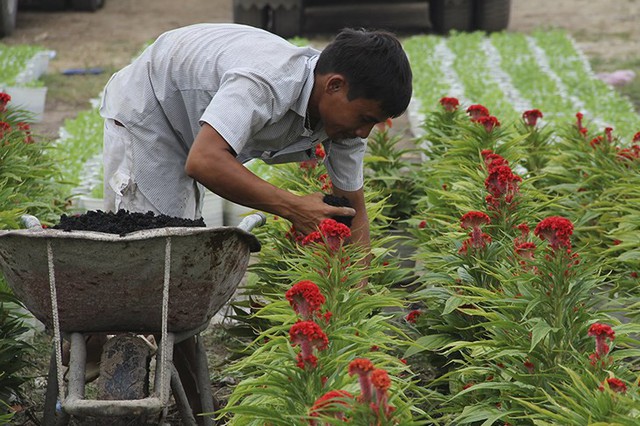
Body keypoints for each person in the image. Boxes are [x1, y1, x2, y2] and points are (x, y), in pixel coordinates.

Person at [98, 23, 412, 420]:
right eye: (365, 116)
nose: (365, 131)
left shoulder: (344, 124)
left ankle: (195, 405)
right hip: (151, 111)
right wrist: (294, 206)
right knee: (156, 259)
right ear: (334, 85)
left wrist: (356, 300)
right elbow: (205, 161)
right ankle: (102, 346)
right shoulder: (266, 81)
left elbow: (355, 212)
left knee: (175, 275)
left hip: (198, 125)